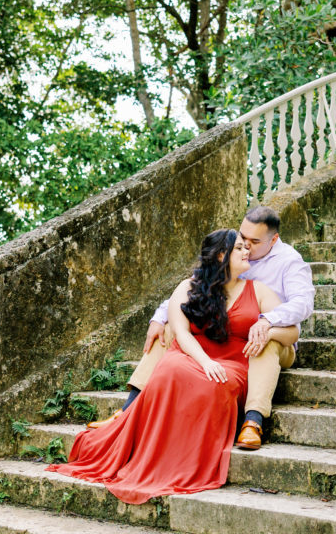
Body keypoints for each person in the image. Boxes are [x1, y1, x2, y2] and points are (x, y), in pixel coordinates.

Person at [47, 229, 298, 504]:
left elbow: (292, 333)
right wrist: (205, 362)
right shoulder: (188, 288)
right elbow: (181, 332)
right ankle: (130, 410)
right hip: (198, 356)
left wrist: (266, 329)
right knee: (170, 359)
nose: (247, 251)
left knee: (215, 373)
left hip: (238, 362)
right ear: (221, 256)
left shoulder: (258, 290)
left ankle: (252, 421)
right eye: (239, 248)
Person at [88, 206, 314, 450]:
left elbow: (302, 304)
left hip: (274, 337)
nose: (246, 246)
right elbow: (194, 289)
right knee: (166, 330)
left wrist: (267, 321)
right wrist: (158, 318)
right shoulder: (232, 254)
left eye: (254, 241)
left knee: (262, 340)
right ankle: (128, 410)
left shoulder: (289, 262)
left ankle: (253, 421)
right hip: (224, 333)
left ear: (274, 240)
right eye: (242, 238)